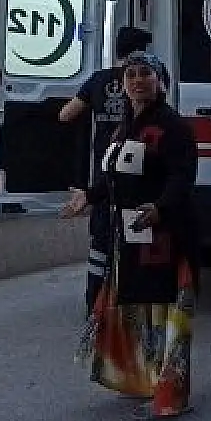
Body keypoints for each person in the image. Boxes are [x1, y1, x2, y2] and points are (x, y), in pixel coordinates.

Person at [62, 51, 199, 421]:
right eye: (131, 74)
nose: (137, 80)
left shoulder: (173, 127)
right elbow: (114, 177)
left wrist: (160, 208)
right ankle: (144, 379)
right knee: (139, 311)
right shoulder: (125, 127)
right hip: (129, 234)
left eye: (145, 74)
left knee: (164, 311)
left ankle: (170, 393)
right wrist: (89, 196)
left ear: (160, 82)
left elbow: (182, 177)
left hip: (164, 236)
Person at [60, 26, 158, 310]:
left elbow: (66, 115)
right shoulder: (146, 80)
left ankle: (95, 304)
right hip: (137, 170)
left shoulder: (97, 80)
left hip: (105, 170)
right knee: (135, 236)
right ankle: (129, 303)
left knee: (101, 241)